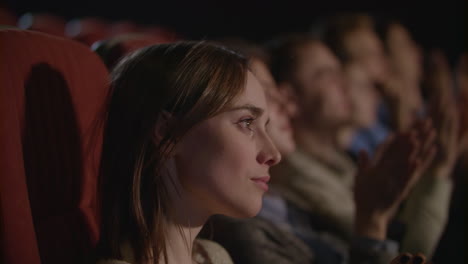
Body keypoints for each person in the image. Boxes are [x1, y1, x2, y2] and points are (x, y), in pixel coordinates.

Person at [94, 41, 281, 264]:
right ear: (168, 133)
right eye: (247, 122)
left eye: (265, 126)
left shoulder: (214, 257)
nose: (273, 154)